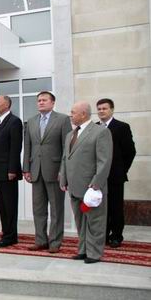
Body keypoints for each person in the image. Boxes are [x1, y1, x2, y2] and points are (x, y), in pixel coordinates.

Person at [60, 101, 113, 264]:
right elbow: (65, 158)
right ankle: (83, 250)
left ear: (83, 114)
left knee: (94, 221)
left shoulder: (100, 132)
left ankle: (94, 253)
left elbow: (104, 161)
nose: (70, 115)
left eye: (73, 112)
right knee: (81, 221)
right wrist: (63, 178)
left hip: (91, 189)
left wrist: (96, 184)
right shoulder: (71, 134)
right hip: (74, 188)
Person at [23, 92, 72, 253]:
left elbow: (67, 148)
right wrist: (26, 169)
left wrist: (63, 171)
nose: (41, 103)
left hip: (54, 171)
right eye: (39, 100)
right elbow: (28, 146)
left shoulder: (63, 120)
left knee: (56, 209)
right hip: (36, 171)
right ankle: (40, 240)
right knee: (38, 209)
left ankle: (55, 242)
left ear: (53, 103)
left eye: (44, 100)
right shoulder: (31, 121)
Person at [96, 98, 136, 248]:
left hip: (115, 176)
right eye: (99, 109)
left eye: (104, 108)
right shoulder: (94, 127)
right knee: (100, 208)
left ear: (112, 110)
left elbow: (130, 152)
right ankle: (103, 235)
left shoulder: (122, 127)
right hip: (98, 177)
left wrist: (121, 170)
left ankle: (116, 236)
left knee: (115, 207)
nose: (101, 111)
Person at [0, 95, 23, 248]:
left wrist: (12, 169)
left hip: (8, 172)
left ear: (7, 104)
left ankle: (11, 236)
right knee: (3, 206)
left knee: (9, 206)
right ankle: (6, 233)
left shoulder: (14, 121)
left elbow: (15, 148)